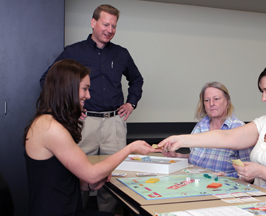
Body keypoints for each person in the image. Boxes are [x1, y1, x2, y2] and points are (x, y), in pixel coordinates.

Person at [159, 54, 266, 209]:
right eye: (262, 92)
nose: (263, 98)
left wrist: (261, 172)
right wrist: (182, 140)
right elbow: (227, 136)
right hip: (263, 204)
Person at [39, 4, 144, 212]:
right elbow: (48, 80)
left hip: (115, 123)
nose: (110, 30)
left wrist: (131, 103)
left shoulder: (122, 54)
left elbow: (137, 80)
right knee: (79, 174)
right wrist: (70, 108)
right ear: (93, 23)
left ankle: (108, 213)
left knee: (114, 175)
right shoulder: (73, 51)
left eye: (114, 26)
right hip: (83, 123)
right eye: (106, 24)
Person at [24, 59, 160, 216]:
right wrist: (130, 148)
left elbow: (57, 179)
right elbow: (91, 174)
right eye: (85, 89)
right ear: (67, 88)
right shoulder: (51, 128)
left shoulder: (47, 122)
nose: (88, 96)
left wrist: (88, 186)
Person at [162, 82, 252, 178]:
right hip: (195, 183)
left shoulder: (239, 129)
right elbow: (199, 159)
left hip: (223, 188)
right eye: (207, 100)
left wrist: (228, 176)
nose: (211, 104)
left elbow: (249, 172)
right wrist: (177, 156)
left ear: (227, 101)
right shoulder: (200, 126)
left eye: (216, 99)